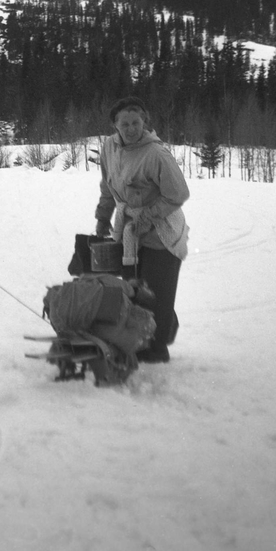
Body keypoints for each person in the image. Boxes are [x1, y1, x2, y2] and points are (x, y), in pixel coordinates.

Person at [93, 97, 190, 363]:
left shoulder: (156, 154)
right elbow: (108, 186)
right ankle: (139, 339)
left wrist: (146, 218)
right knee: (133, 287)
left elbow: (178, 194)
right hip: (129, 229)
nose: (131, 128)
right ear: (115, 125)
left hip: (161, 229)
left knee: (156, 290)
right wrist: (103, 217)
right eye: (124, 123)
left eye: (136, 122)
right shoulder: (110, 147)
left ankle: (157, 350)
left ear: (144, 122)